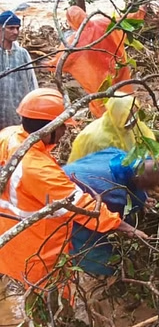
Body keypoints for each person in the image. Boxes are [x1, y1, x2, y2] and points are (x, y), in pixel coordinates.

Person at [0, 88, 147, 293]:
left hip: (11, 233)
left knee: (32, 296)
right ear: (49, 127)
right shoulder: (39, 169)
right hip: (38, 249)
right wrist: (127, 229)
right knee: (53, 300)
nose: (65, 132)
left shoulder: (9, 136)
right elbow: (81, 206)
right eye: (62, 127)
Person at [64, 148, 159, 275]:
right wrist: (130, 229)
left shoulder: (122, 157)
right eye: (147, 187)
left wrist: (142, 199)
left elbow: (129, 181)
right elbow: (108, 219)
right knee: (94, 252)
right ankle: (111, 272)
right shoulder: (112, 193)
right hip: (66, 204)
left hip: (68, 174)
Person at [47, 6, 144, 118]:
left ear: (71, 22)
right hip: (118, 65)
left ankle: (111, 122)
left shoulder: (74, 41)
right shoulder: (105, 22)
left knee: (102, 101)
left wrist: (47, 64)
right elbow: (125, 20)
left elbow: (60, 61)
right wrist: (140, 12)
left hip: (99, 76)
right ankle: (129, 115)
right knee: (123, 93)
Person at [68, 93, 159, 163]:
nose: (134, 121)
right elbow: (105, 171)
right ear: (118, 116)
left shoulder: (136, 127)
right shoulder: (99, 140)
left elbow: (152, 152)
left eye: (135, 116)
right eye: (128, 117)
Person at [0, 10, 38, 131]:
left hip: (17, 113)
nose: (15, 32)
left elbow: (32, 82)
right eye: (11, 28)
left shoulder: (22, 54)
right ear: (1, 28)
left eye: (17, 28)